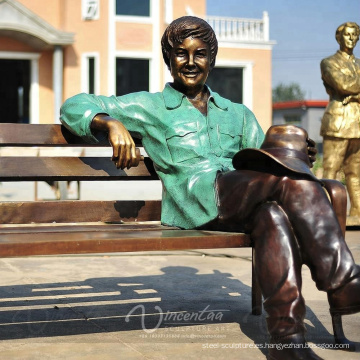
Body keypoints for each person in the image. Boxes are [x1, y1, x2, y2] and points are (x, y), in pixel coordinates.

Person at [61, 16, 360, 360]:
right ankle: (343, 280)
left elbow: (261, 164)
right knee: (289, 186)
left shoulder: (237, 113)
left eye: (200, 54)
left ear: (212, 59)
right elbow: (74, 106)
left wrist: (296, 153)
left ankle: (286, 341)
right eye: (180, 54)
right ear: (168, 59)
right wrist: (109, 122)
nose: (190, 63)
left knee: (272, 215)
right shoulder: (150, 106)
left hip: (237, 203)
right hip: (194, 202)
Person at [320, 22, 360, 224]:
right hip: (337, 122)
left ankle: (357, 213)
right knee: (331, 170)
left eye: (355, 35)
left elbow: (348, 88)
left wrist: (352, 95)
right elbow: (343, 85)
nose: (351, 38)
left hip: (358, 124)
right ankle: (328, 214)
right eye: (347, 35)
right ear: (339, 38)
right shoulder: (328, 62)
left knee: (356, 172)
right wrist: (352, 93)